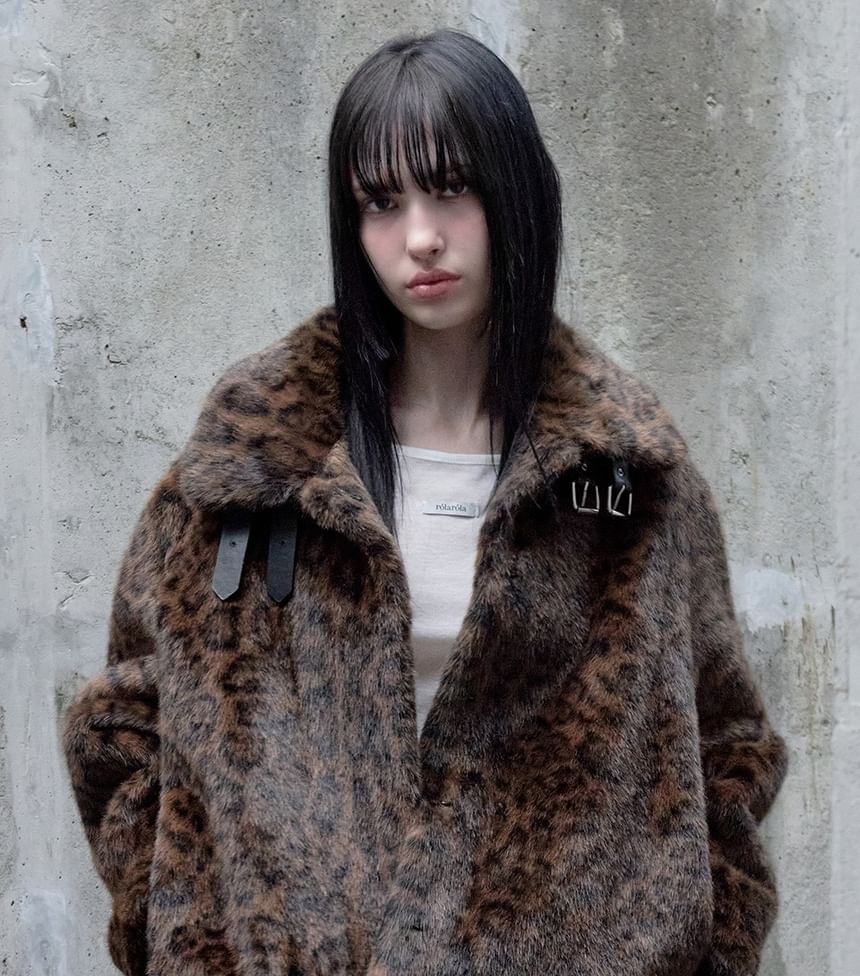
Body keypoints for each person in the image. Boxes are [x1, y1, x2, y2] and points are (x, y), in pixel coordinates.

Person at [62, 27, 788, 976]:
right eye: (380, 202)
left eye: (451, 188)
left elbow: (727, 742)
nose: (419, 237)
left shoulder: (627, 475)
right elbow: (123, 727)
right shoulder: (253, 465)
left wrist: (713, 939)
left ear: (516, 192)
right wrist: (176, 927)